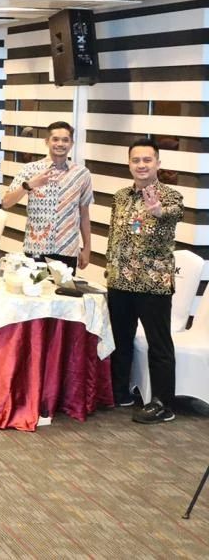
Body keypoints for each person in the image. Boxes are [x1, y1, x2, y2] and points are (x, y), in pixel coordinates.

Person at [106, 138, 183, 424]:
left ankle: (163, 404)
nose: (141, 165)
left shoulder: (170, 196)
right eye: (136, 160)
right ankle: (120, 392)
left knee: (158, 344)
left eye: (147, 160)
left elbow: (173, 214)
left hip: (153, 284)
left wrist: (158, 211)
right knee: (120, 339)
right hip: (120, 282)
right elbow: (114, 236)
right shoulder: (120, 196)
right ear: (129, 164)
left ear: (158, 163)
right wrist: (110, 269)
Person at [1, 121, 93, 273]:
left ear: (71, 143)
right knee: (34, 287)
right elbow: (6, 202)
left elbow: (84, 214)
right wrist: (29, 185)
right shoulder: (30, 169)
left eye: (65, 140)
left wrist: (87, 248)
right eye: (55, 139)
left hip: (67, 250)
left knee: (63, 288)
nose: (60, 144)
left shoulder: (82, 174)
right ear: (47, 141)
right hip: (36, 249)